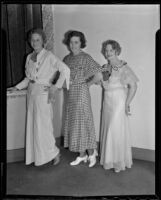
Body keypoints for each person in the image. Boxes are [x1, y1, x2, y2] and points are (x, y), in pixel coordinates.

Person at [10, 28, 70, 166]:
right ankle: (38, 157)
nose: (35, 42)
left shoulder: (49, 56)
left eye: (38, 39)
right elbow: (28, 78)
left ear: (43, 41)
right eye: (32, 40)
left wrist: (55, 86)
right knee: (34, 126)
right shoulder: (29, 57)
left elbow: (65, 70)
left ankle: (54, 153)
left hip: (43, 94)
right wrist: (17, 87)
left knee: (44, 126)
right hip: (31, 94)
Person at [63, 30, 103, 167]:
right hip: (71, 95)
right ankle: (82, 154)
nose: (73, 45)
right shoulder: (67, 59)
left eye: (76, 42)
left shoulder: (85, 57)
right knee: (74, 123)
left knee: (83, 123)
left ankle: (91, 153)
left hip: (81, 95)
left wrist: (88, 84)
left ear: (81, 43)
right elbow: (63, 78)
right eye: (71, 42)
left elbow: (99, 74)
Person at [99, 39, 139, 172]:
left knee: (115, 130)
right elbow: (104, 84)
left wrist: (127, 103)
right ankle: (110, 160)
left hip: (119, 101)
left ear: (116, 51)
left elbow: (133, 86)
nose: (108, 52)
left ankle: (118, 162)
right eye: (106, 50)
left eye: (111, 50)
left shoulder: (123, 66)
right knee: (109, 128)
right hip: (107, 100)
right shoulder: (105, 67)